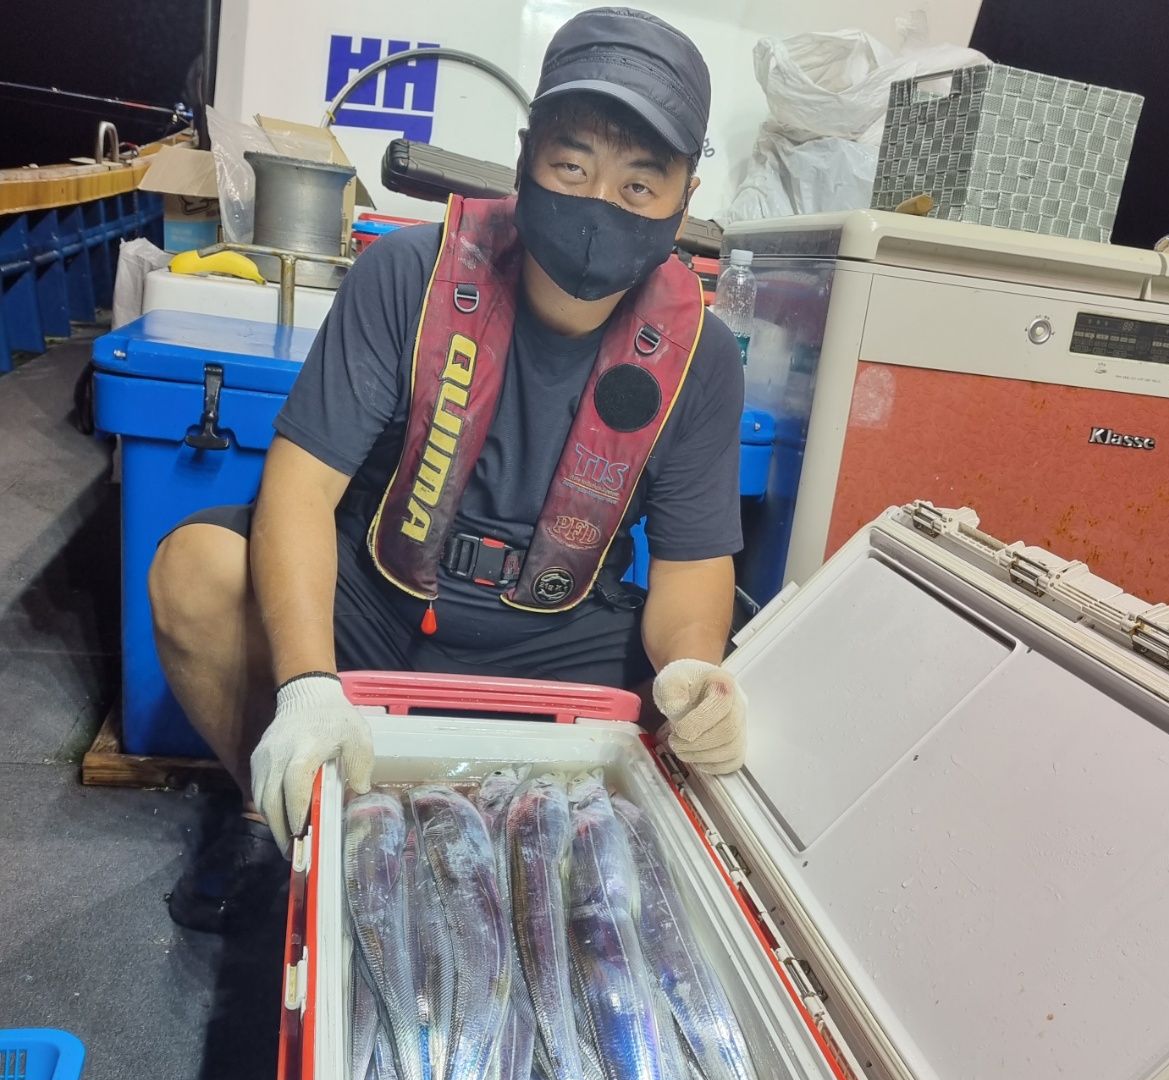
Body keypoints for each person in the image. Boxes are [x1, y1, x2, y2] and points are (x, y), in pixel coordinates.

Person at [149, 6, 749, 933]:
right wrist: (306, 684)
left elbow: (691, 574)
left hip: (555, 634)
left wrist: (693, 677)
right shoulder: (410, 274)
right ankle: (285, 812)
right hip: (384, 599)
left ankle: (557, 870)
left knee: (728, 691)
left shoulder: (700, 356)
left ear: (684, 196)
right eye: (573, 165)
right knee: (195, 571)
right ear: (526, 156)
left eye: (641, 183)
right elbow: (300, 489)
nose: (602, 202)